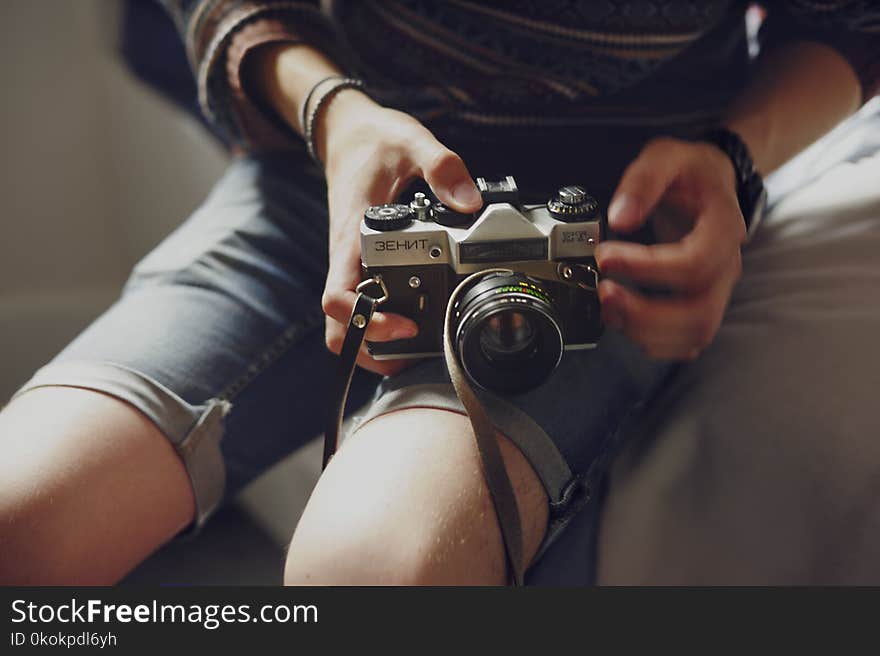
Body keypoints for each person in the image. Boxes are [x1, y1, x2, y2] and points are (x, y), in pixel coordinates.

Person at [1, 1, 878, 585]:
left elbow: (849, 20)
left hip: (607, 215)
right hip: (325, 168)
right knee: (24, 513)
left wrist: (731, 158)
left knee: (376, 570)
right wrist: (334, 117)